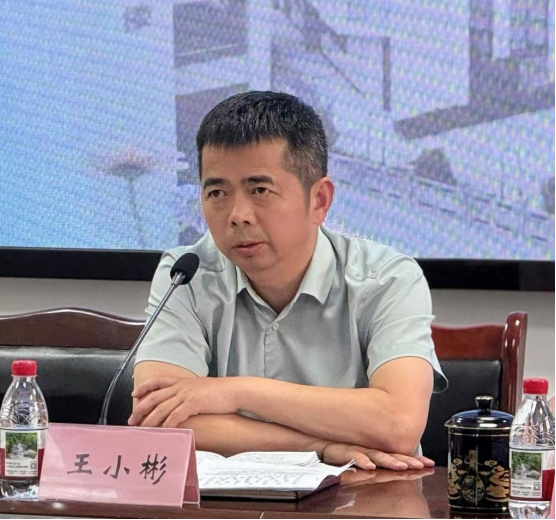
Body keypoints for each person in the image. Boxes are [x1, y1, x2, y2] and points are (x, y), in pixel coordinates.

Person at [130, 91, 448, 471]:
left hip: (364, 496)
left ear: (319, 200)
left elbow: (398, 424)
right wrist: (320, 447)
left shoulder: (387, 278)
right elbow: (158, 421)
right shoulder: (186, 275)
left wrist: (236, 392)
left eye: (260, 190)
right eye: (217, 192)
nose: (238, 215)